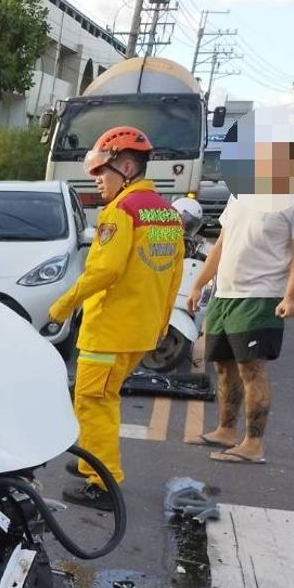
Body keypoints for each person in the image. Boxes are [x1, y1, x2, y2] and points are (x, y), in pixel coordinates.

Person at [45, 126, 183, 510]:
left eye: (102, 174)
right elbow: (173, 274)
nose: (98, 182)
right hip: (139, 330)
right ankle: (93, 458)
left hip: (109, 330)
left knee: (93, 401)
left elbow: (103, 271)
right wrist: (160, 324)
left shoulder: (121, 211)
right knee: (103, 397)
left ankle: (102, 483)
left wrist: (62, 305)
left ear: (126, 167)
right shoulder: (166, 213)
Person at [185, 134, 294, 465]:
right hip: (225, 294)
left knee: (251, 369)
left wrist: (291, 296)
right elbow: (222, 243)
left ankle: (253, 444)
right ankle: (225, 430)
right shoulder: (242, 193)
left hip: (261, 297)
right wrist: (199, 283)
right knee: (223, 367)